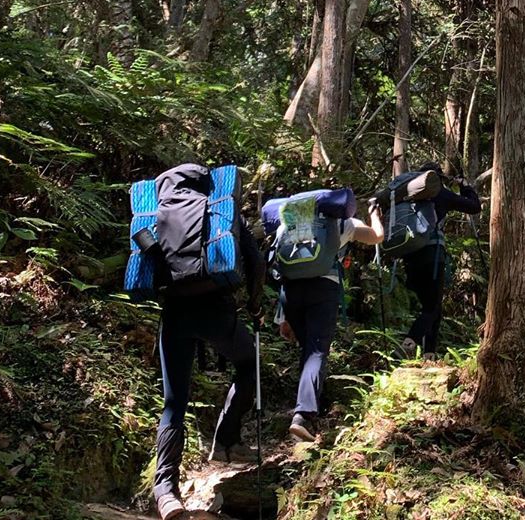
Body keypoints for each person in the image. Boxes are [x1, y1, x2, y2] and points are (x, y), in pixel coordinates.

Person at [153, 187, 265, 520]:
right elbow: (256, 261)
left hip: (174, 313)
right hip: (216, 311)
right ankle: (226, 439)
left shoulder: (157, 209)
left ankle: (165, 492)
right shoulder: (220, 208)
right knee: (250, 364)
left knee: (174, 402)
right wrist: (255, 304)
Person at [274, 200, 384, 442]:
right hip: (322, 289)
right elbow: (377, 237)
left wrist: (283, 317)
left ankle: (311, 407)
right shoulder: (340, 223)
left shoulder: (288, 227)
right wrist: (375, 214)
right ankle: (303, 416)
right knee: (316, 351)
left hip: (290, 294)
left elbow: (282, 267)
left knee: (308, 350)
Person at [398, 164, 481, 359]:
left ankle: (429, 355)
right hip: (432, 255)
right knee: (432, 307)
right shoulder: (440, 193)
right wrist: (465, 186)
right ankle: (409, 343)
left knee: (432, 305)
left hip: (409, 255)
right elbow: (474, 206)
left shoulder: (407, 195)